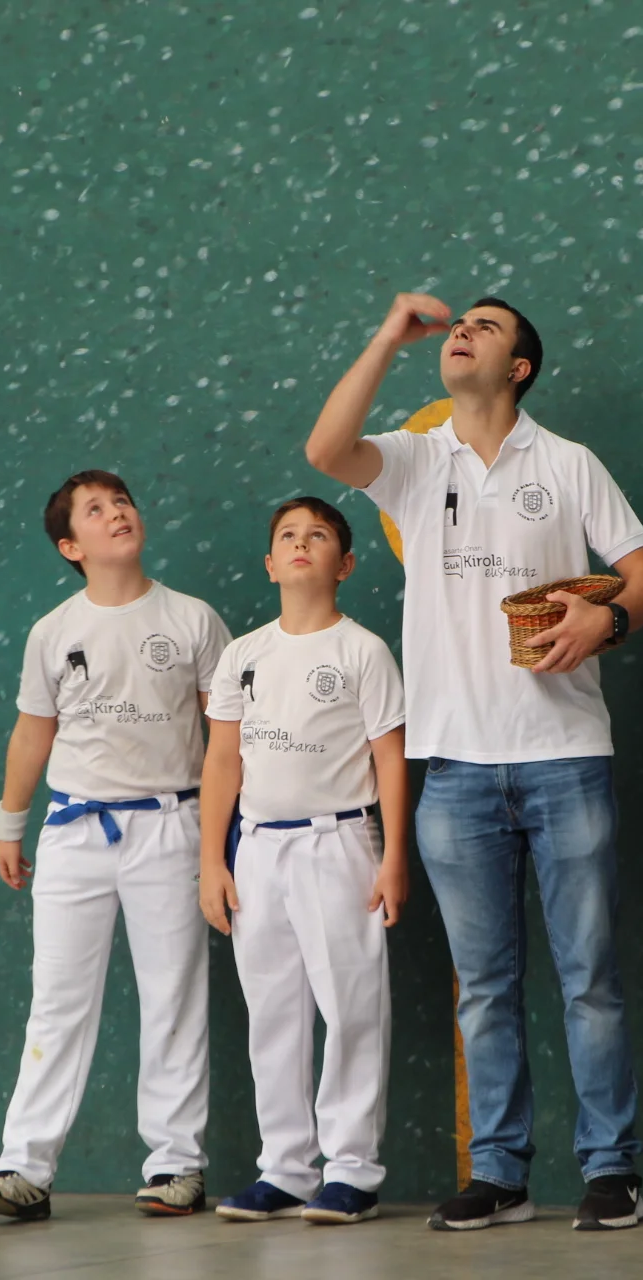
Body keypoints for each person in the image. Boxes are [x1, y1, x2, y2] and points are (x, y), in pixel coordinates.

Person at [304, 293, 643, 1231]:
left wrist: (606, 619)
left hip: (566, 758)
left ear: (520, 368)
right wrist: (389, 334)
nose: (463, 331)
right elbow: (326, 451)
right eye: (457, 323)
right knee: (486, 989)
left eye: (487, 327)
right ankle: (501, 1175)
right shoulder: (415, 458)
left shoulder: (570, 463)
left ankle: (613, 1171)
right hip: (455, 775)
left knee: (590, 980)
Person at [0, 469, 226, 1222]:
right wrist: (11, 823)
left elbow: (225, 739)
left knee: (173, 996)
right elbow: (32, 732)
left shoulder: (193, 619)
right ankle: (24, 1168)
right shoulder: (53, 631)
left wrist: (221, 841)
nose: (117, 514)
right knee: (57, 1001)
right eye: (96, 510)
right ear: (70, 545)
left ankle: (176, 1166)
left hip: (171, 827)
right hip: (75, 832)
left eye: (122, 503)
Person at [197, 497, 409, 1227]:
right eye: (287, 535)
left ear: (343, 564)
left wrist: (394, 856)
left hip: (340, 843)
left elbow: (390, 759)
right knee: (272, 1012)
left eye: (317, 536)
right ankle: (285, 1170)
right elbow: (222, 761)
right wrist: (212, 861)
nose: (300, 543)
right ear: (269, 563)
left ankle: (352, 1171)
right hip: (256, 849)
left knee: (352, 1008)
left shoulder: (363, 651)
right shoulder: (242, 655)